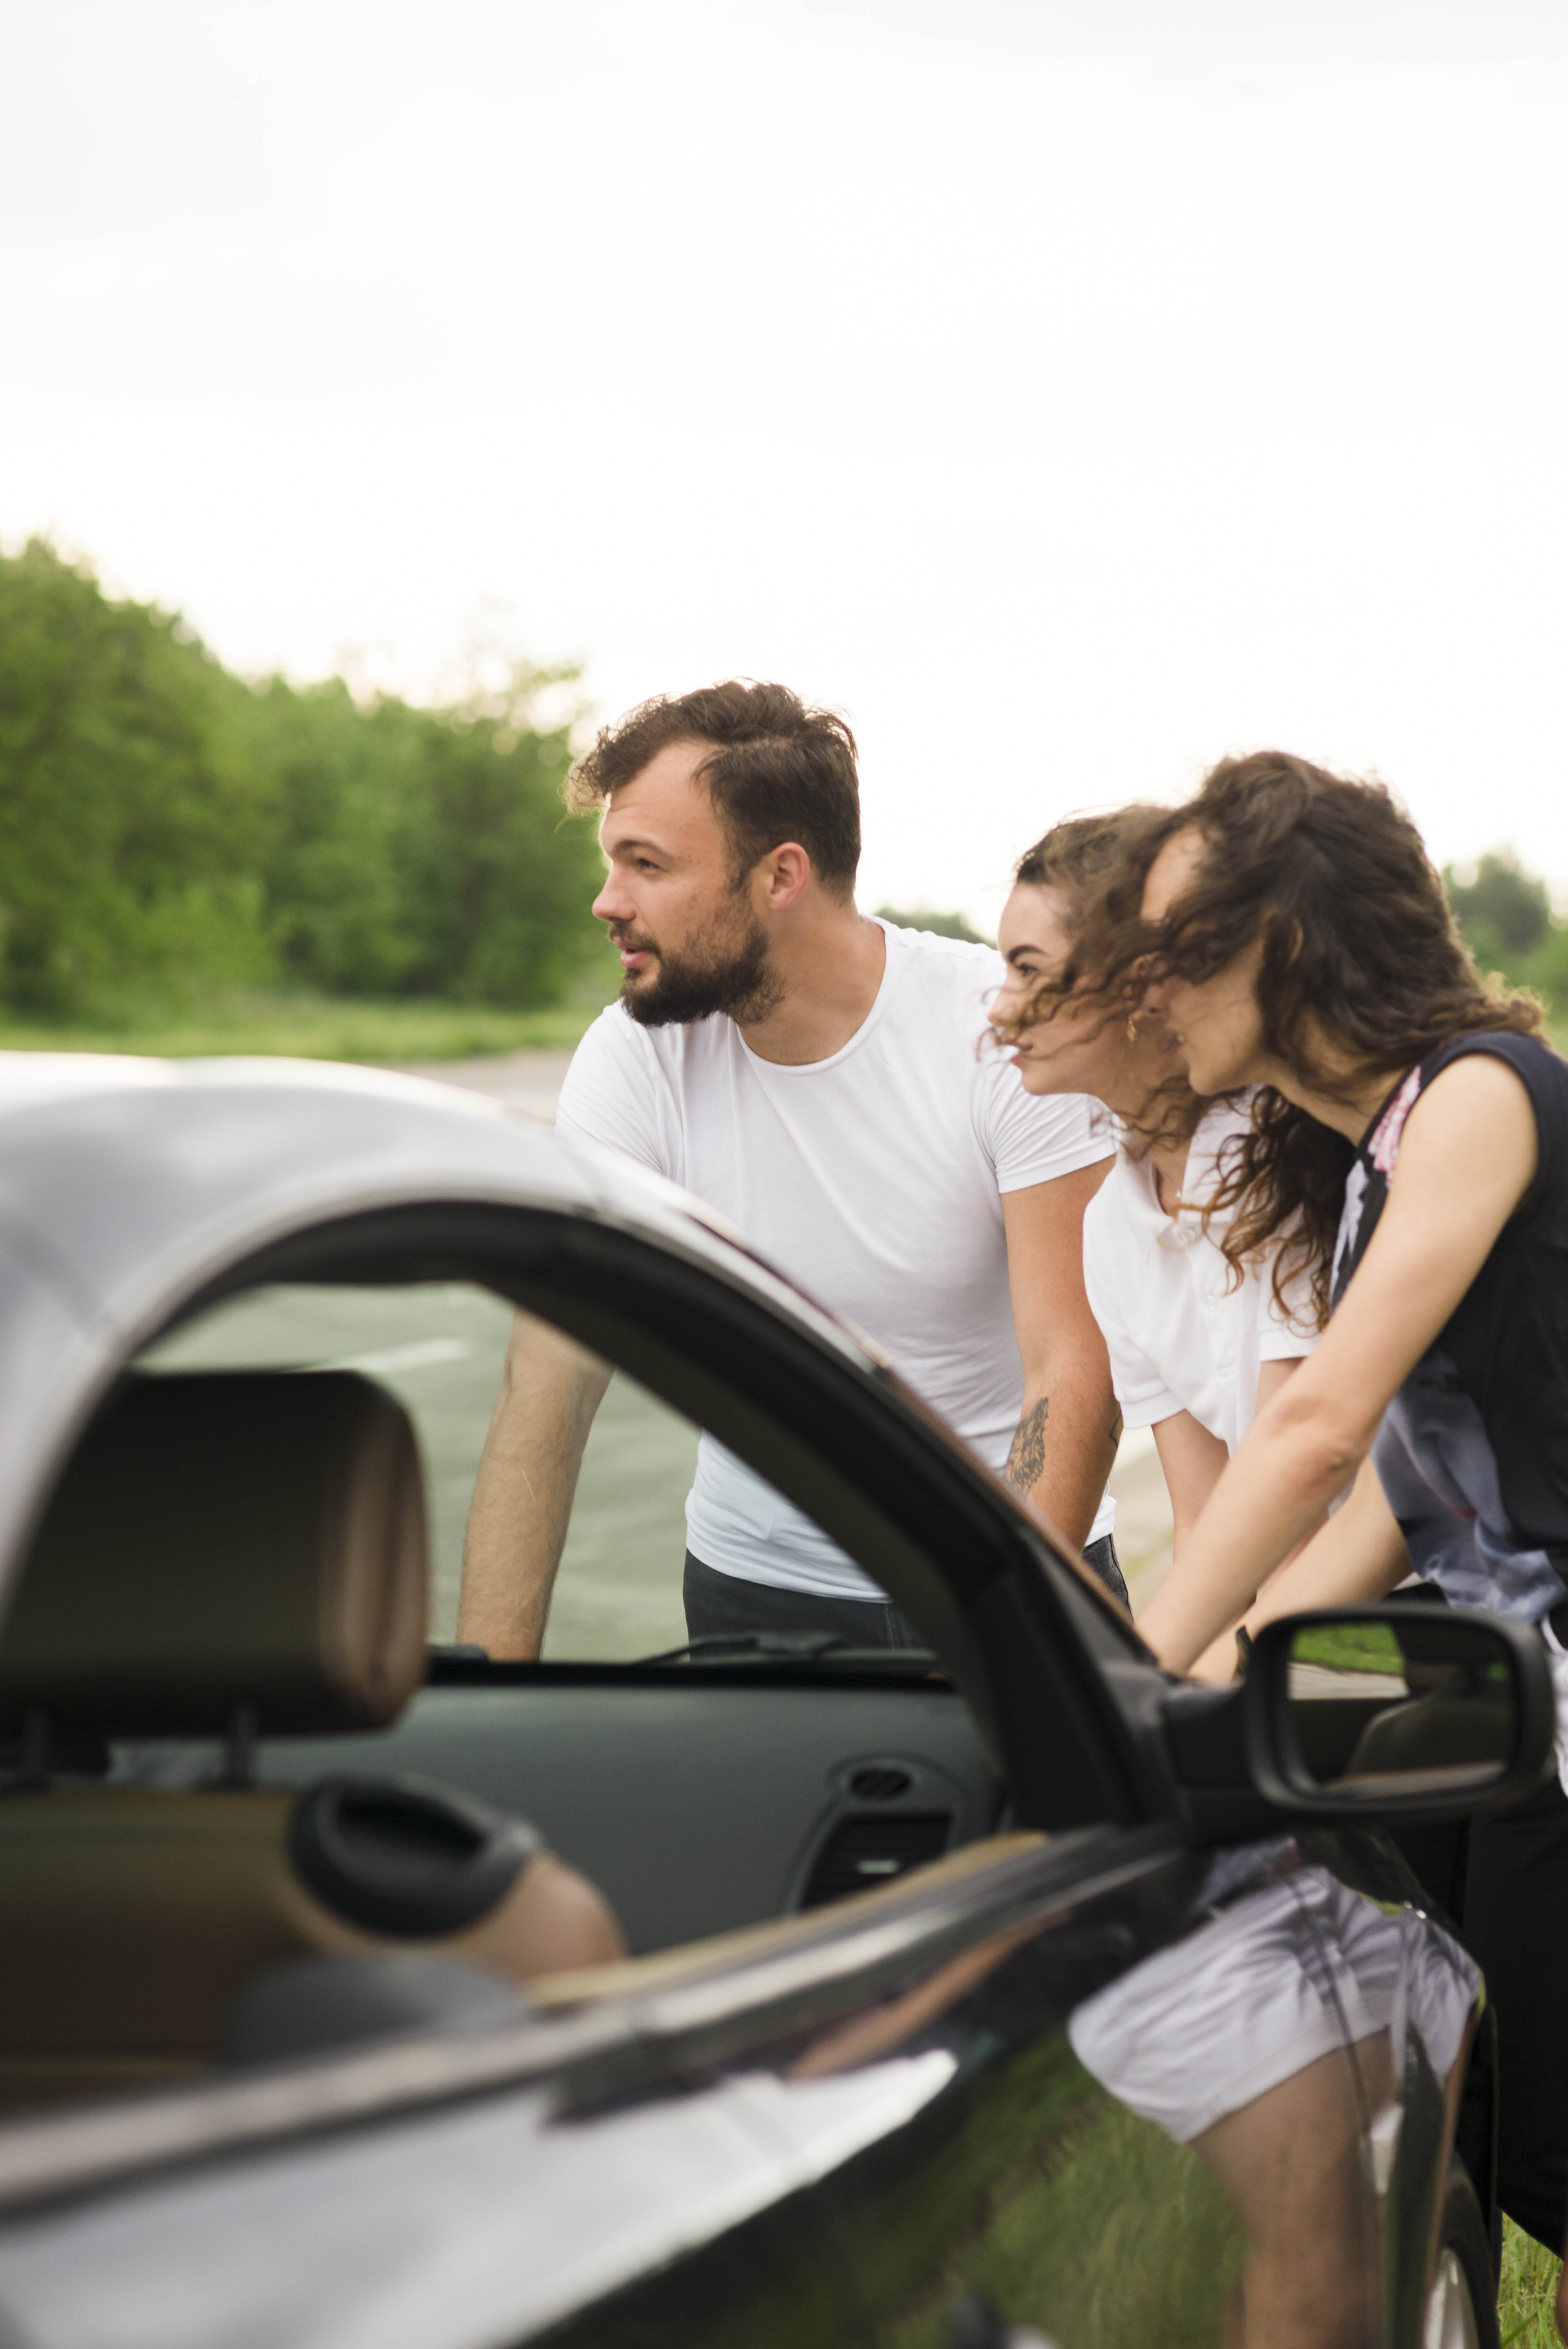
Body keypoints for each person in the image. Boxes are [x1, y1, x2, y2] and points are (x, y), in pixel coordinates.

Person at [1121, 747, 1568, 2258]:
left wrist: (1132, 1678)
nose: (1149, 988)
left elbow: (1318, 1429)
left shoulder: (1480, 1095)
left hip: (1547, 1684)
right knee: (1477, 2111)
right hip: (1489, 1668)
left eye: (1179, 946)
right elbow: (1398, 1493)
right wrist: (1206, 1675)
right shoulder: (1379, 1151)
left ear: (1287, 940)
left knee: (1548, 2152)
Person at [458, 680, 1123, 1664]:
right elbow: (549, 1381)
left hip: (1014, 1563)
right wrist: (492, 1690)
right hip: (752, 1593)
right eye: (612, 862)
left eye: (647, 864)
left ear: (781, 875)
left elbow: (1073, 1368)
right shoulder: (634, 1056)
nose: (608, 901)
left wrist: (1006, 1635)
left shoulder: (1002, 1029)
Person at [987, 809, 1318, 1618]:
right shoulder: (1112, 1226)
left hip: (1426, 1612)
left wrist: (1212, 1669)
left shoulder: (1290, 1163)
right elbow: (1203, 1518)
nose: (1000, 1011)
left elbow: (1307, 1501)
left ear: (1140, 984)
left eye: (1029, 970)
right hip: (1297, 1624)